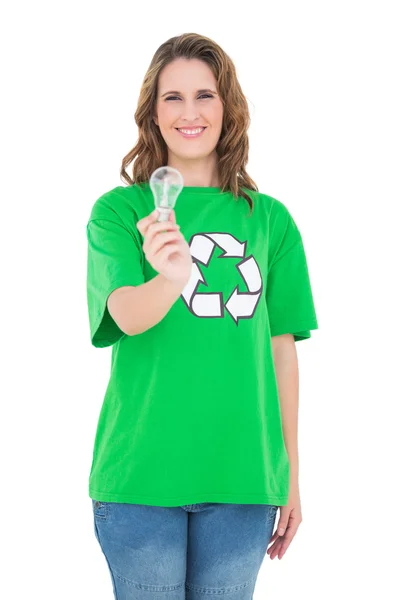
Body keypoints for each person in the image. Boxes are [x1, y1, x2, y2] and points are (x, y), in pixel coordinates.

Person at [86, 32, 318, 600]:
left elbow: (280, 350)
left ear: (227, 107)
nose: (190, 113)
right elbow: (127, 316)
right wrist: (169, 274)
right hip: (142, 475)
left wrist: (287, 472)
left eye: (205, 95)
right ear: (153, 113)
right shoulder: (121, 212)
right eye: (173, 98)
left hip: (242, 477)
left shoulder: (270, 221)